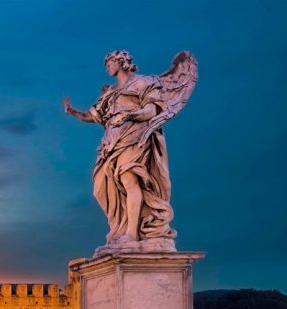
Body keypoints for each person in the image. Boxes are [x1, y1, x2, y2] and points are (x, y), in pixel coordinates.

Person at [63, 50, 194, 246]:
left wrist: (129, 115)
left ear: (122, 61)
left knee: (130, 179)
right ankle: (121, 229)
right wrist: (71, 111)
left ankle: (132, 233)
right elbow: (93, 116)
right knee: (101, 187)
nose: (107, 66)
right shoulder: (110, 92)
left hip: (134, 136)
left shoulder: (146, 82)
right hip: (111, 142)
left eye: (110, 62)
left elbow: (151, 111)